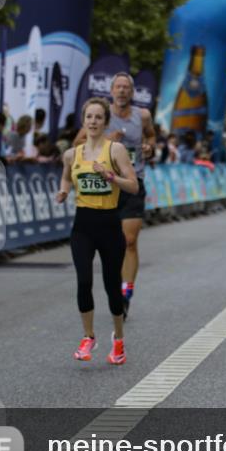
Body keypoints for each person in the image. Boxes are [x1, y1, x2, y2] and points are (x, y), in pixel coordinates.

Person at [56, 98, 138, 365]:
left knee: (112, 287)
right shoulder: (72, 154)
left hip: (109, 225)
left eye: (98, 117)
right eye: (89, 117)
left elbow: (133, 185)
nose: (93, 122)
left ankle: (118, 340)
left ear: (105, 122)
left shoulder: (116, 150)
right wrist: (64, 191)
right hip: (83, 226)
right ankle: (88, 336)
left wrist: (111, 177)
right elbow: (66, 175)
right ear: (83, 121)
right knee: (83, 281)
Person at [74, 72, 156, 318]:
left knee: (129, 240)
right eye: (118, 87)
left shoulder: (142, 115)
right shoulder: (100, 115)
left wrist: (149, 147)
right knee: (110, 243)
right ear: (111, 91)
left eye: (126, 87)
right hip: (105, 186)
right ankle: (115, 285)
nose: (122, 91)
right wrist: (106, 140)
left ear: (132, 92)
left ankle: (125, 291)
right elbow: (77, 144)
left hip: (132, 182)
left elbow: (151, 135)